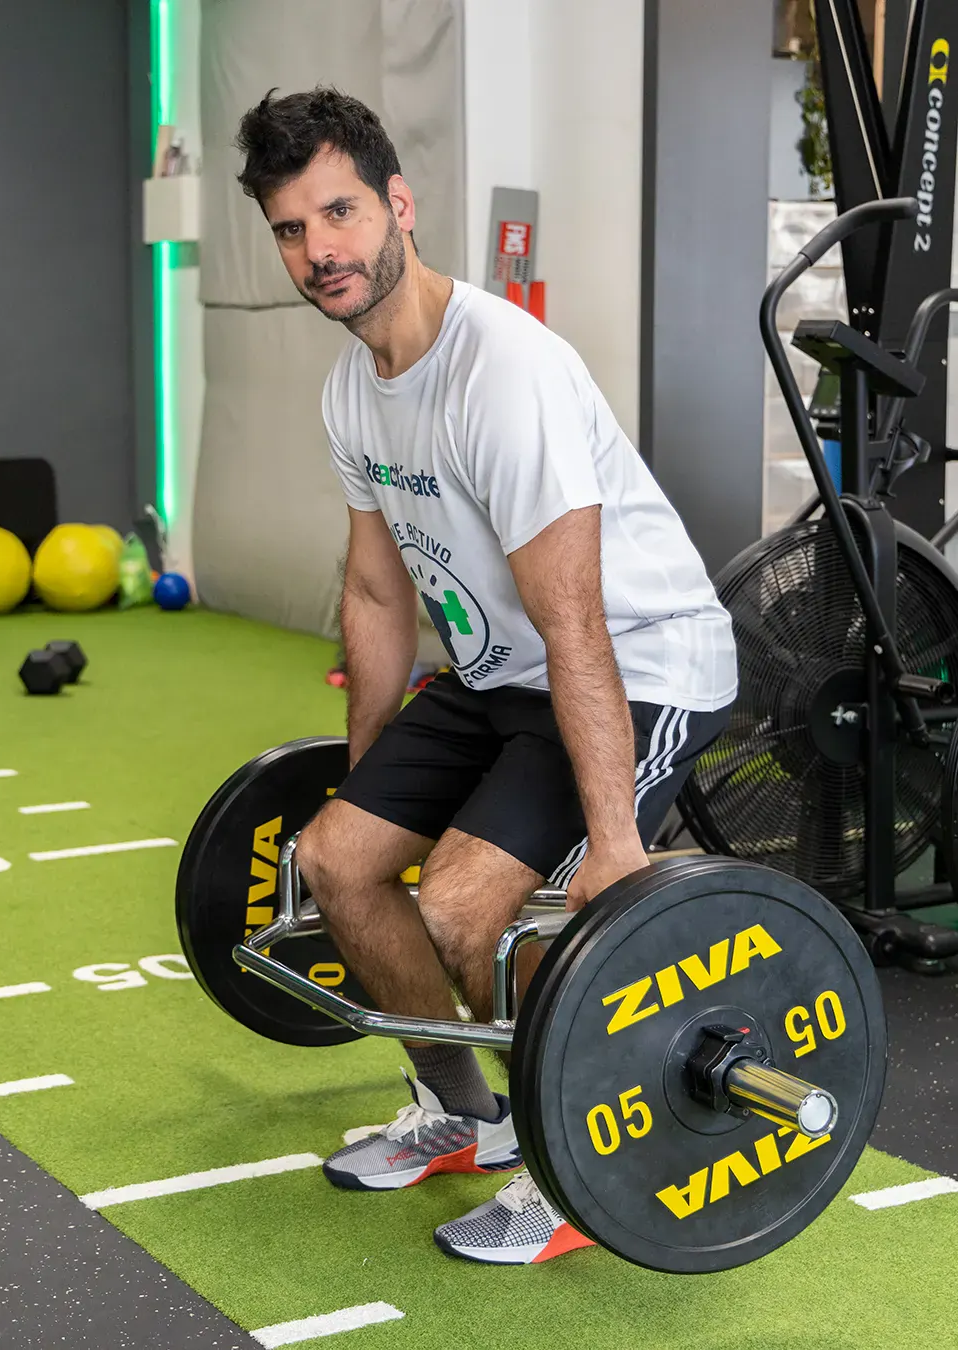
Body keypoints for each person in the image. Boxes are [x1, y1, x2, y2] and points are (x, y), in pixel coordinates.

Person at [234, 86, 737, 1265]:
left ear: (399, 205)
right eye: (292, 230)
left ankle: (578, 1175)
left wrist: (613, 844)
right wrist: (371, 785)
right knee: (336, 863)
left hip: (641, 662)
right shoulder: (352, 391)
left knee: (471, 911)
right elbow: (375, 596)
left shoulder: (500, 371)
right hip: (504, 670)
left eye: (341, 213)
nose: (320, 250)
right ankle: (466, 1114)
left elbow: (577, 622)